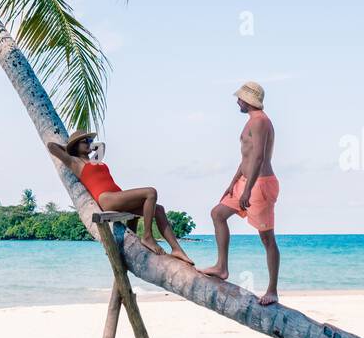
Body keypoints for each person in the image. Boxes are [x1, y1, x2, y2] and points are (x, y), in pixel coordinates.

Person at [47, 130, 194, 263]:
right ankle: (148, 237)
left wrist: (86, 143)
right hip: (107, 199)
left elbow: (101, 145)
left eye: (89, 141)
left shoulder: (95, 160)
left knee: (159, 209)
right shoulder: (76, 163)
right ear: (75, 146)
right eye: (85, 141)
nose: (89, 143)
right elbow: (51, 146)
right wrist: (70, 147)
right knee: (151, 192)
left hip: (118, 196)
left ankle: (177, 249)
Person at [200, 81, 280, 305]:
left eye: (240, 98)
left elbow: (259, 157)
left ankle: (272, 290)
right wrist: (233, 182)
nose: (237, 101)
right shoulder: (251, 122)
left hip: (260, 183)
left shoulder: (261, 121)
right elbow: (245, 157)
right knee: (218, 213)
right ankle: (221, 266)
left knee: (267, 238)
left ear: (248, 100)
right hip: (245, 181)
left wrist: (248, 188)